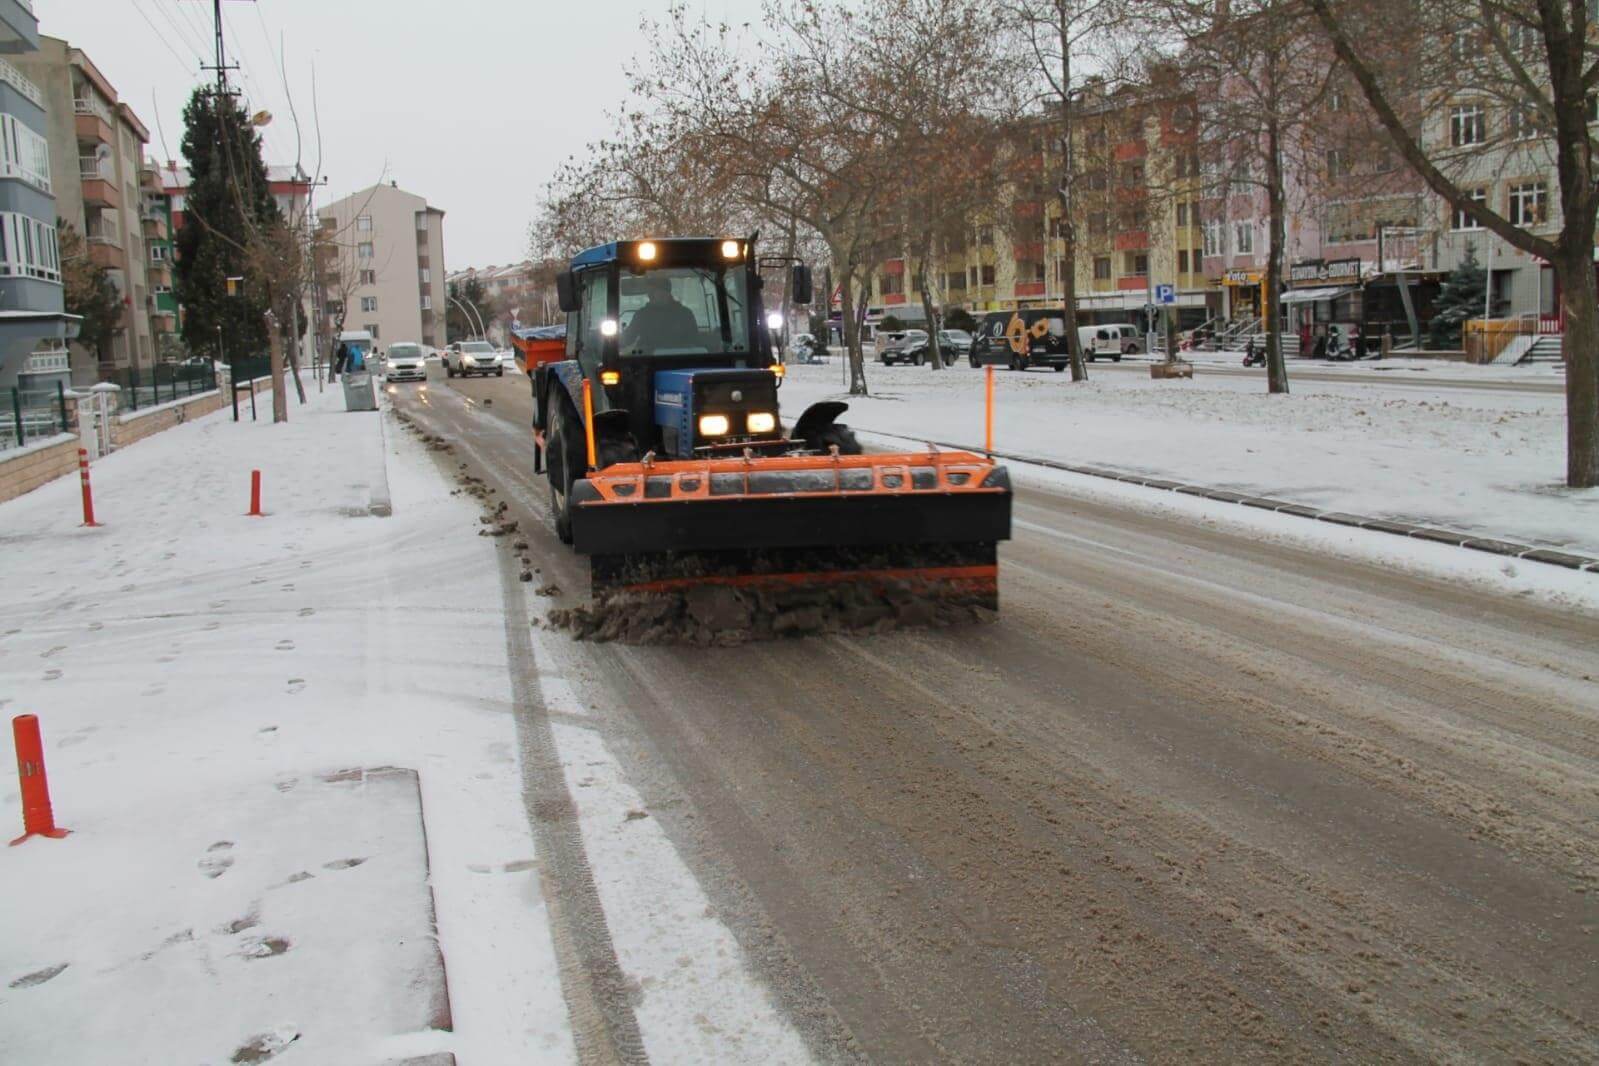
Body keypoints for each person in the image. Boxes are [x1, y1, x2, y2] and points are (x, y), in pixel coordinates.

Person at [622, 275, 701, 352]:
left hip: (678, 359)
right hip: (649, 361)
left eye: (663, 290)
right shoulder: (641, 315)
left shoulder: (685, 314)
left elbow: (693, 340)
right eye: (656, 291)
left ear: (668, 292)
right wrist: (613, 341)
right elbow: (628, 338)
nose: (661, 294)